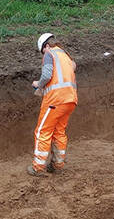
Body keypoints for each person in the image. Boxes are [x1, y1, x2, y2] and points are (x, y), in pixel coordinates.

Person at [28, 33, 78, 176]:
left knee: (42, 131)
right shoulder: (66, 56)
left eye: (42, 50)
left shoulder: (49, 53)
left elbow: (47, 75)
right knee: (59, 132)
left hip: (55, 100)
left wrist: (38, 85)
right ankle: (57, 165)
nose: (43, 54)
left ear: (46, 46)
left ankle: (38, 167)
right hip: (70, 99)